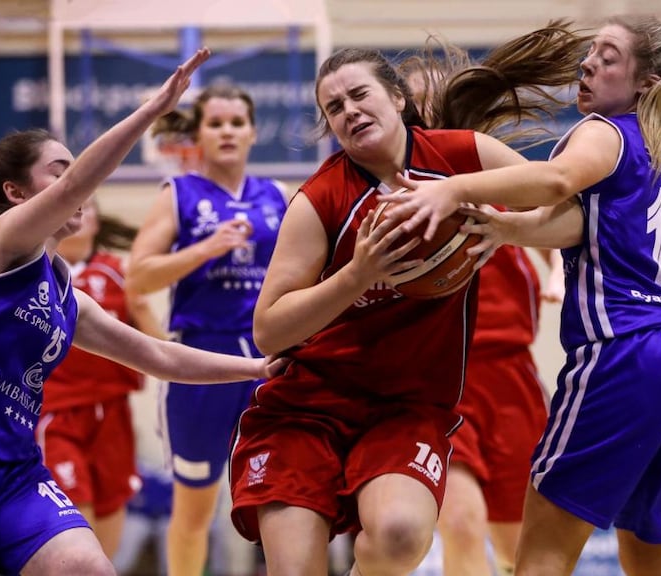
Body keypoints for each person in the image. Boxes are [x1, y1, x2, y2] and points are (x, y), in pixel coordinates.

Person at [0, 48, 286, 576]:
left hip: (12, 471)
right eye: (61, 171)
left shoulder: (66, 293)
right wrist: (153, 112)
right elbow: (75, 187)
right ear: (16, 194)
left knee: (90, 567)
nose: (79, 188)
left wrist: (255, 368)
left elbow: (158, 356)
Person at [227, 22, 590, 576]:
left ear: (397, 99)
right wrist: (358, 274)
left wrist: (505, 227)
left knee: (400, 533)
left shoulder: (461, 156)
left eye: (358, 94)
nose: (347, 110)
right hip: (310, 406)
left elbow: (566, 207)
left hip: (407, 406)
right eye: (333, 107)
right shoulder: (320, 198)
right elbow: (270, 331)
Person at [384, 15, 661, 576]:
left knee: (540, 560)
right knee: (657, 566)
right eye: (591, 51)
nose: (587, 62)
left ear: (648, 83)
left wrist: (455, 189)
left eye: (607, 56)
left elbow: (557, 181)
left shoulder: (604, 132)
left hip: (625, 354)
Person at [398, 51, 564, 576]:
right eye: (414, 96)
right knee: (462, 525)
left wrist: (557, 269)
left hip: (512, 377)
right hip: (444, 377)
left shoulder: (488, 165)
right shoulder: (398, 182)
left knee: (522, 551)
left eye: (434, 92)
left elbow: (552, 215)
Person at [126, 83, 291, 576]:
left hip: (269, 362)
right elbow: (138, 276)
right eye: (216, 123)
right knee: (195, 510)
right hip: (201, 363)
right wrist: (205, 249)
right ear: (198, 132)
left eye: (236, 123)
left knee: (282, 502)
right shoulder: (179, 193)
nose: (226, 131)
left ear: (253, 132)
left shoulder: (277, 196)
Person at [36, 197, 164, 559]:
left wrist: (140, 306)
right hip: (58, 416)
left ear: (97, 219)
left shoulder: (119, 273)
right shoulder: (35, 274)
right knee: (77, 539)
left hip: (113, 415)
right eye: (71, 204)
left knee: (107, 547)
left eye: (88, 206)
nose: (79, 211)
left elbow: (156, 349)